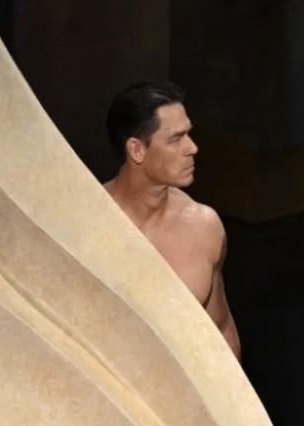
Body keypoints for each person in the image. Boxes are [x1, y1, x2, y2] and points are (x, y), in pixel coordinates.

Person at [103, 80, 241, 360]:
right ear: (137, 150)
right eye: (176, 139)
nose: (193, 148)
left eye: (189, 134)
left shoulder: (204, 226)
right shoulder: (88, 224)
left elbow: (220, 330)